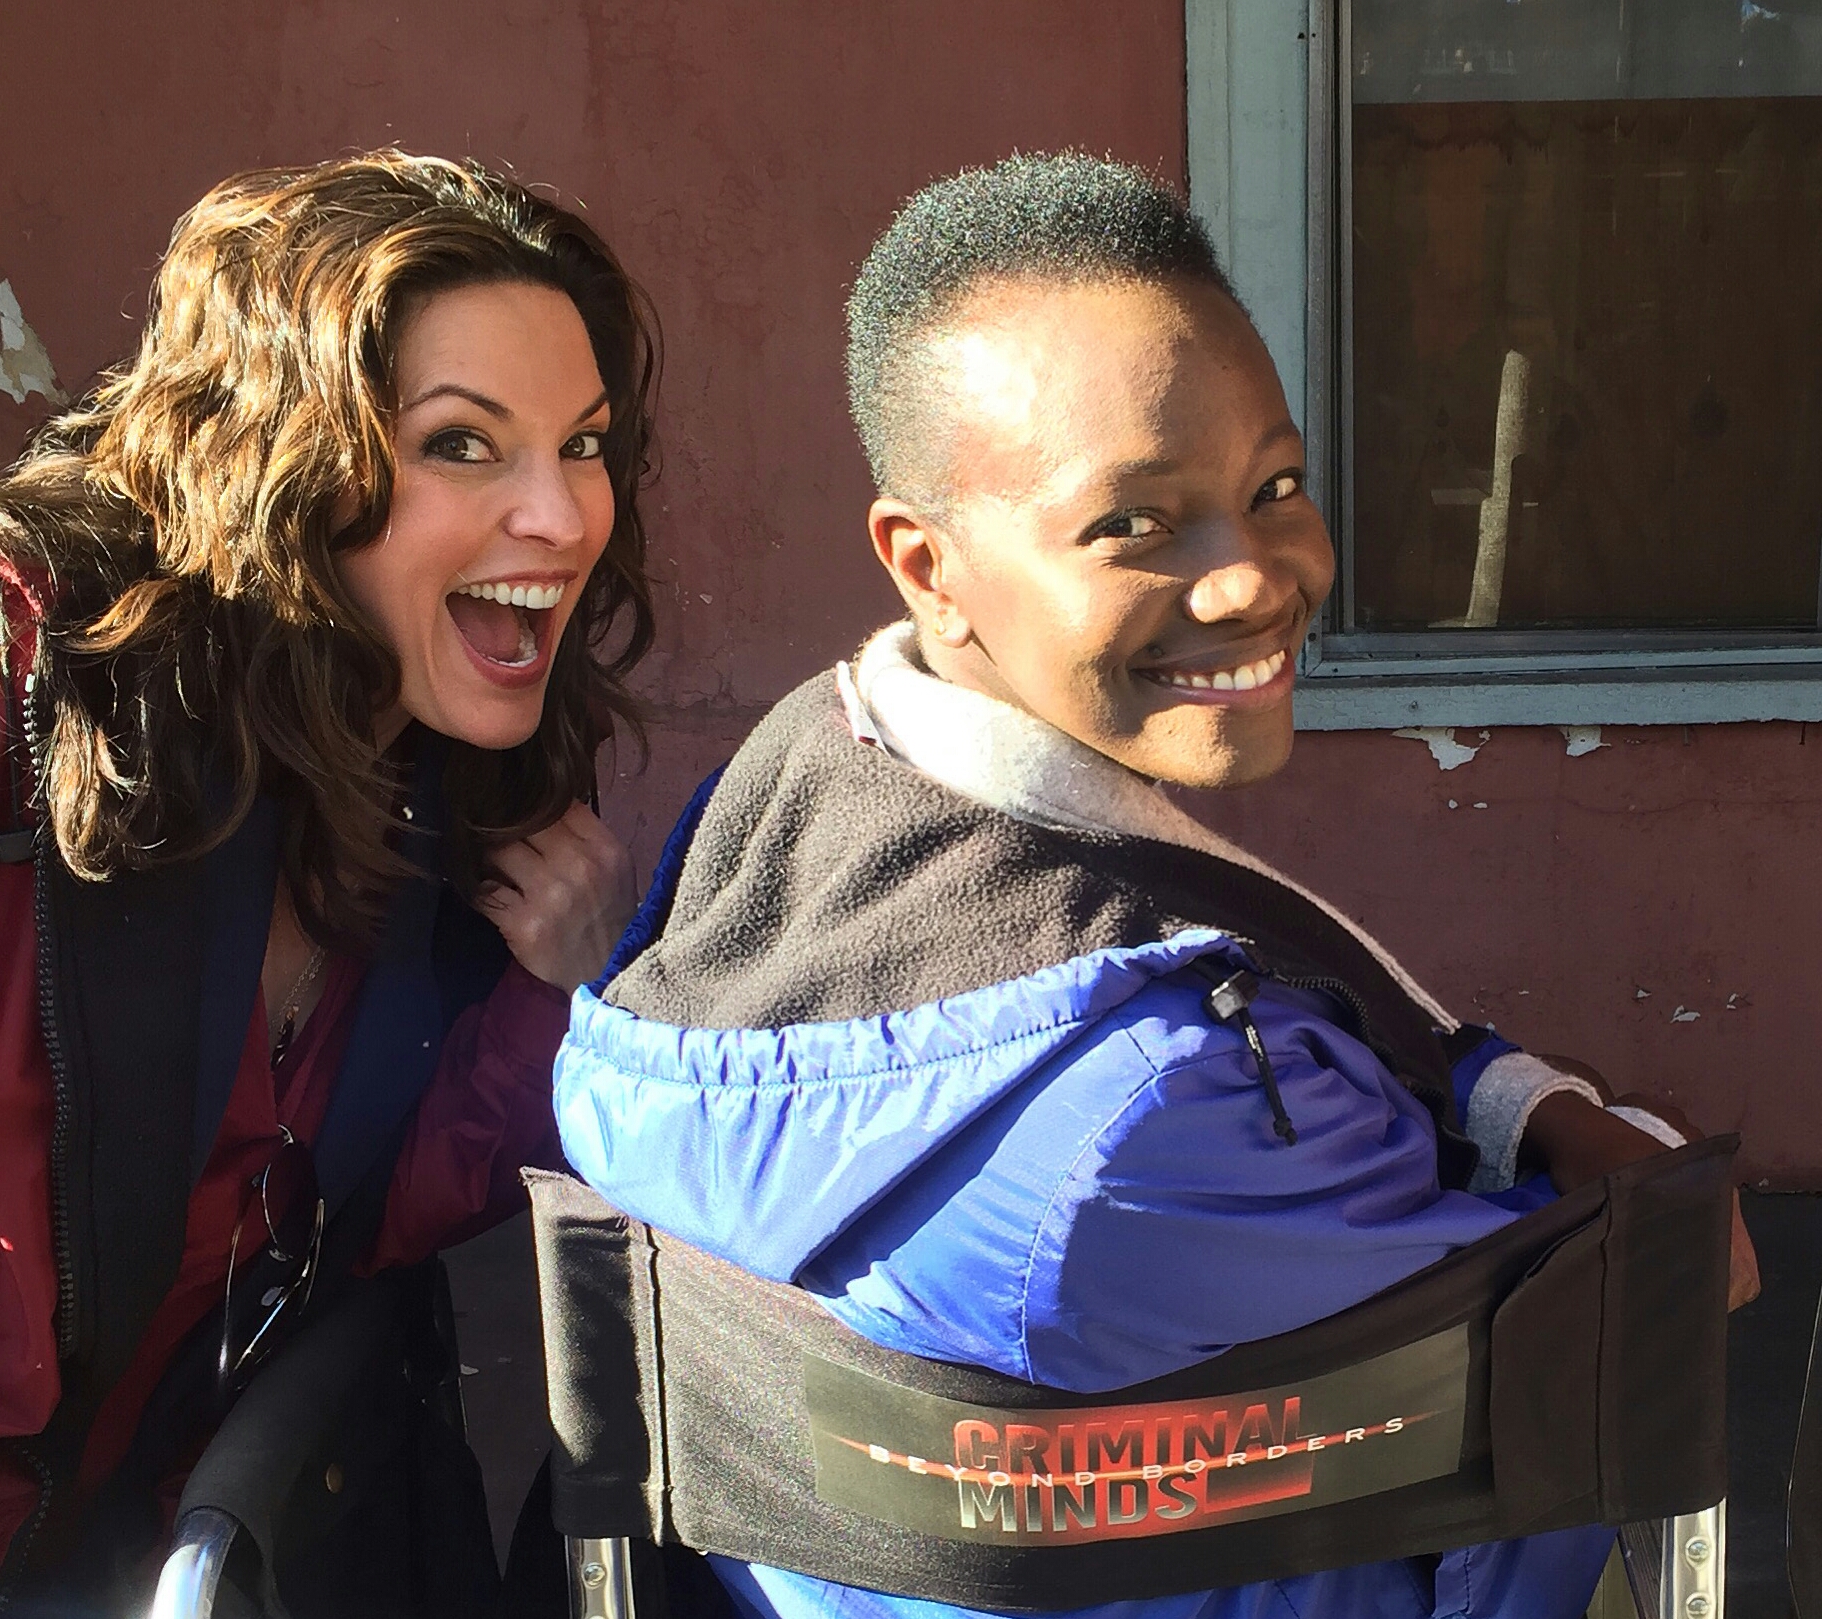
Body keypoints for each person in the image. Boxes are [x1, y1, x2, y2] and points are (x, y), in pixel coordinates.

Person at [554, 154, 1758, 1619]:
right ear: (926, 566)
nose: (1253, 578)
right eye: (1131, 524)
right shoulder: (1171, 1105)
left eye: (1275, 487)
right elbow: (1617, 1325)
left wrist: (1526, 1101)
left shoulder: (779, 812)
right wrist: (1639, 1163)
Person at [0, 150, 655, 1611]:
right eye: (463, 443)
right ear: (283, 462)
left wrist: (560, 1001)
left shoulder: (429, 793)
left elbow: (359, 1235)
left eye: (585, 444)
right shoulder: (37, 700)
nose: (562, 517)